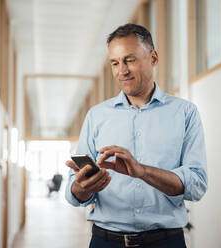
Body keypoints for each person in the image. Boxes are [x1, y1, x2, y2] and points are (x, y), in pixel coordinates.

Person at [65, 23, 207, 248]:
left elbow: (197, 184)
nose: (122, 70)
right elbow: (75, 193)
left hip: (166, 242)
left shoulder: (185, 113)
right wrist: (83, 186)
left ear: (153, 58)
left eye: (129, 60)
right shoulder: (96, 116)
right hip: (105, 241)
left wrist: (142, 171)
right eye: (115, 62)